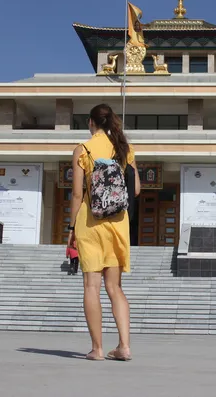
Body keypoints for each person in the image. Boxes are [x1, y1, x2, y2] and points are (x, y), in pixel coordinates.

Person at [67, 103, 136, 362]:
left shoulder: (82, 149)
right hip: (118, 224)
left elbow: (77, 194)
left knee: (91, 287)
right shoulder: (124, 149)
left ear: (91, 122)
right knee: (115, 287)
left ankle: (97, 349)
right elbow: (136, 189)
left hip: (90, 222)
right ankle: (124, 347)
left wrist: (71, 228)